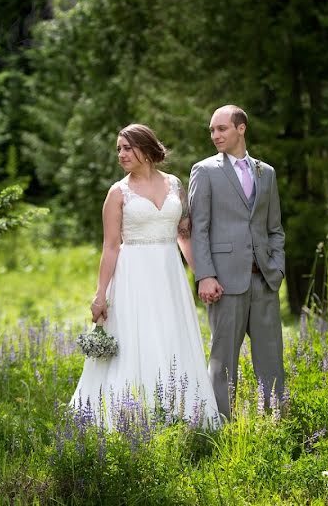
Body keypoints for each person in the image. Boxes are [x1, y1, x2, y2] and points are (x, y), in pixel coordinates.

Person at [70, 124, 220, 428]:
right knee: (136, 340)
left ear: (146, 149)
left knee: (171, 336)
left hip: (169, 274)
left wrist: (204, 275)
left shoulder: (175, 184)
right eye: (119, 149)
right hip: (133, 276)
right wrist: (100, 293)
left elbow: (184, 236)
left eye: (127, 148)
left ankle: (179, 414)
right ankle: (131, 417)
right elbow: (110, 247)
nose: (121, 154)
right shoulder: (117, 192)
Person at [188, 105, 286, 419]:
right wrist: (204, 275)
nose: (215, 135)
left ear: (241, 128)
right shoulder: (205, 171)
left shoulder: (266, 172)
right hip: (224, 282)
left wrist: (278, 268)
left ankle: (275, 424)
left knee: (271, 358)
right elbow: (198, 229)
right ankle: (222, 426)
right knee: (223, 361)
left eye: (222, 129)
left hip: (264, 279)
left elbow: (275, 229)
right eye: (212, 131)